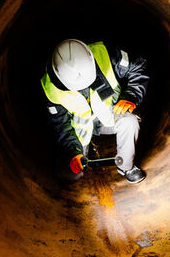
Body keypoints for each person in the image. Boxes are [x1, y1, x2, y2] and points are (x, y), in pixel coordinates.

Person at [40, 39, 148, 183]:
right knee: (70, 175)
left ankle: (126, 167)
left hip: (108, 116)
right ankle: (82, 150)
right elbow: (61, 125)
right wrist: (74, 151)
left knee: (130, 122)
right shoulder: (50, 88)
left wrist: (131, 96)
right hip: (81, 128)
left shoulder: (106, 55)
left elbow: (138, 65)